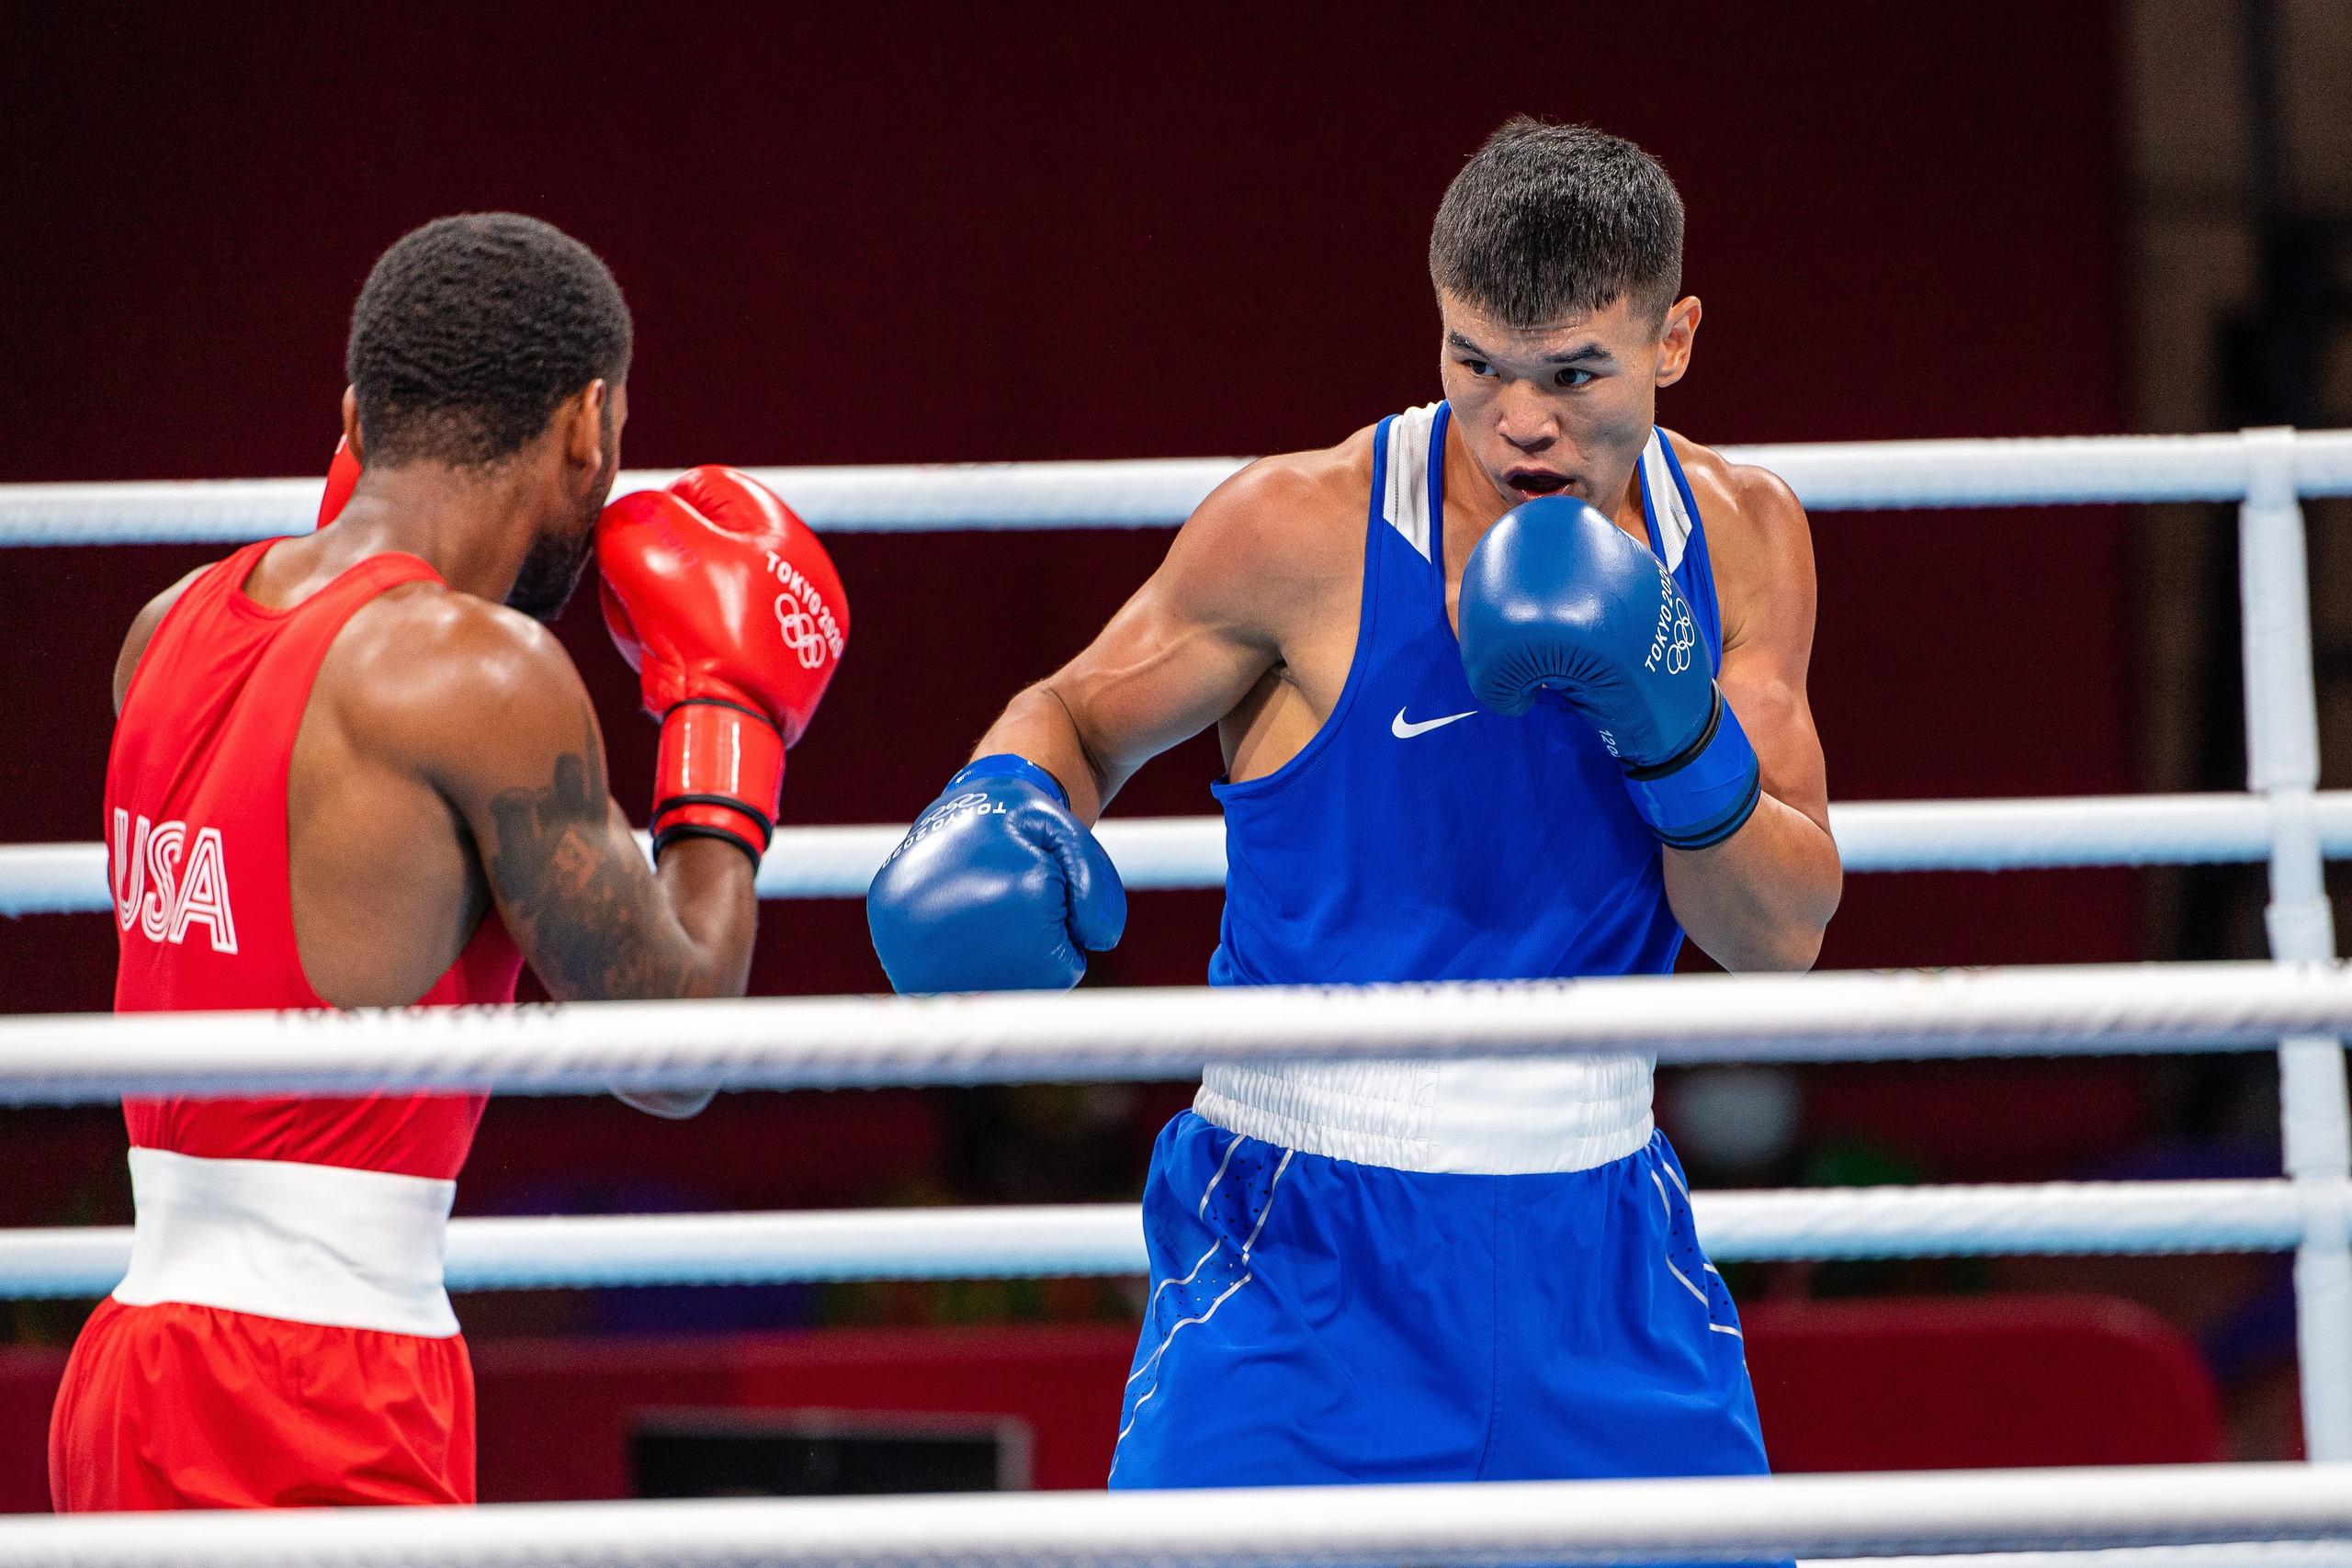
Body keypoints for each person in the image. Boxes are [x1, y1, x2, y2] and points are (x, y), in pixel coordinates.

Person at [867, 120, 1838, 1488]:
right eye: (1476, 364)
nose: (1519, 423)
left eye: (1573, 374)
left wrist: (1666, 719)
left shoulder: (1737, 538)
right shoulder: (1298, 531)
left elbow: (1779, 930)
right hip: (1302, 1240)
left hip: (1599, 1235)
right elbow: (1082, 712)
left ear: (1672, 340)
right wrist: (1006, 801)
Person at [52, 213, 849, 1510]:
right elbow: (676, 1050)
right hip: (321, 1388)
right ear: (587, 424)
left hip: (129, 1369)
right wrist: (728, 719)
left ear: (356, 414)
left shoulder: (167, 631)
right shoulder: (480, 675)